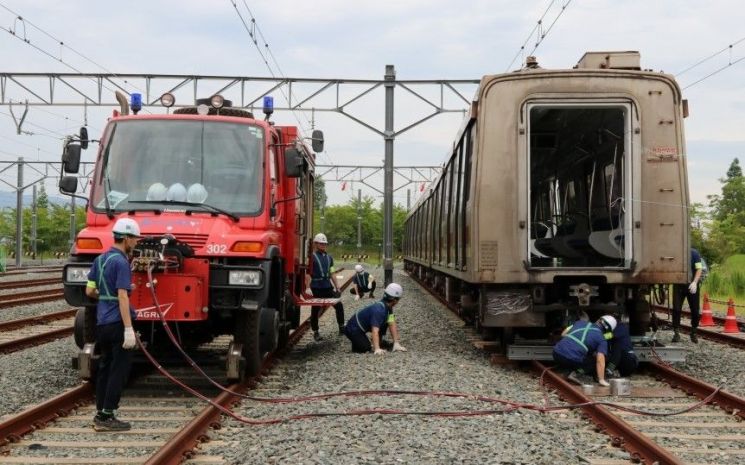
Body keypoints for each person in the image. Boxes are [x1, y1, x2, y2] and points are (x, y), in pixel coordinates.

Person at [85, 218, 141, 432]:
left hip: (102, 323)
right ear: (126, 238)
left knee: (105, 367)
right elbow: (122, 297)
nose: (136, 242)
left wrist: (106, 295)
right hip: (117, 323)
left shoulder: (99, 260)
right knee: (119, 369)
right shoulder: (121, 262)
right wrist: (128, 329)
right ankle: (108, 415)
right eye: (135, 238)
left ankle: (100, 413)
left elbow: (89, 291)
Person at [552, 315, 616, 387]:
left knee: (575, 354)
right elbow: (600, 360)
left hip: (556, 353)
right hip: (571, 359)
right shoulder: (602, 339)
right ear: (608, 330)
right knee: (594, 359)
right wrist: (601, 380)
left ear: (598, 320)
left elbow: (563, 334)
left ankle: (565, 369)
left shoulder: (579, 322)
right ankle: (576, 374)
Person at [344, 283, 408, 354]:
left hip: (360, 326)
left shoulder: (388, 307)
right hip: (352, 328)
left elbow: (392, 323)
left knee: (387, 321)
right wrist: (377, 349)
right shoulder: (379, 310)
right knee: (366, 348)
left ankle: (376, 342)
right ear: (395, 300)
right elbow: (375, 330)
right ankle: (360, 344)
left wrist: (396, 343)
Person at [306, 233, 345, 341]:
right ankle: (316, 332)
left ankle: (342, 327)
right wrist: (307, 287)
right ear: (316, 244)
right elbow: (308, 273)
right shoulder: (311, 257)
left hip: (327, 287)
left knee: (339, 305)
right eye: (321, 243)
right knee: (315, 309)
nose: (323, 245)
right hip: (316, 287)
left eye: (324, 244)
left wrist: (337, 287)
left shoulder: (329, 258)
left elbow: (332, 273)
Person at [672, 248, 703, 343]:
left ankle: (693, 331)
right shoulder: (676, 253)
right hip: (678, 285)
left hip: (692, 285)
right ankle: (676, 333)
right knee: (676, 309)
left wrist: (695, 282)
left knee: (695, 310)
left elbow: (699, 268)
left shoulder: (694, 253)